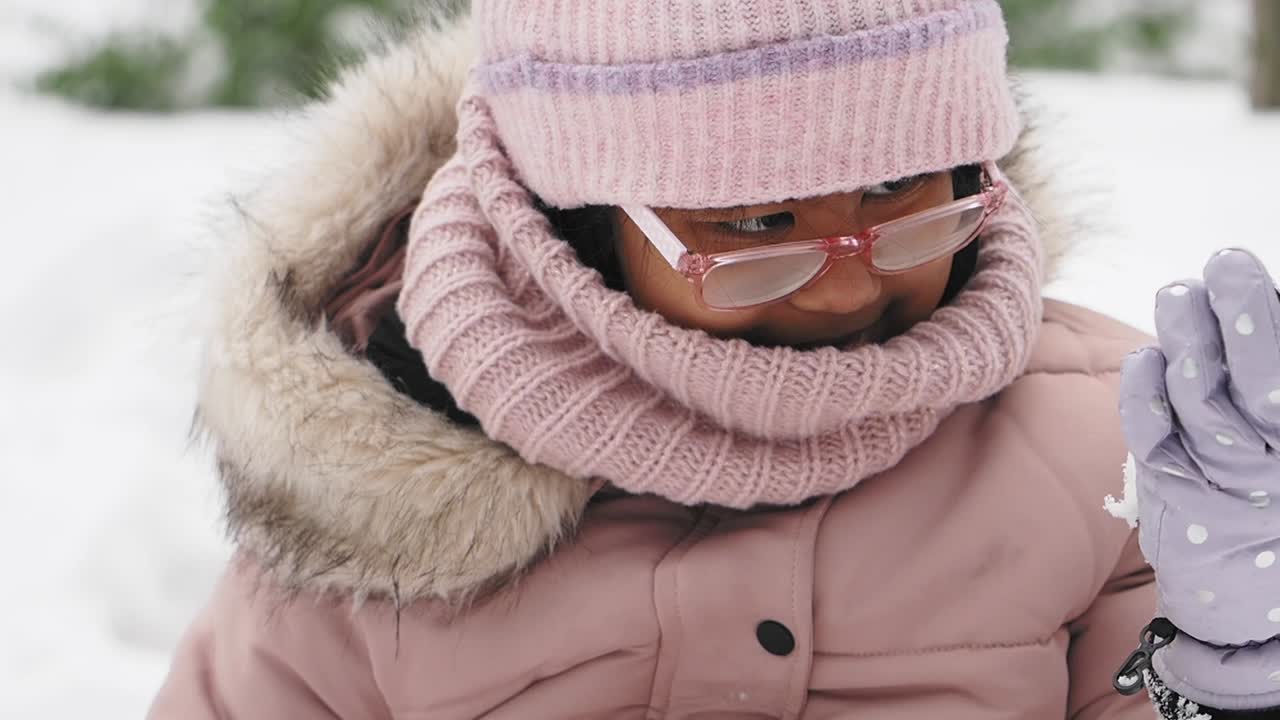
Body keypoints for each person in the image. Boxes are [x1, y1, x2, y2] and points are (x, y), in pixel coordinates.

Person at [148, 1, 1280, 717]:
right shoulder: (372, 491)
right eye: (749, 228)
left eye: (900, 194)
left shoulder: (1129, 461)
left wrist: (1227, 679)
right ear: (570, 221)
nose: (846, 286)